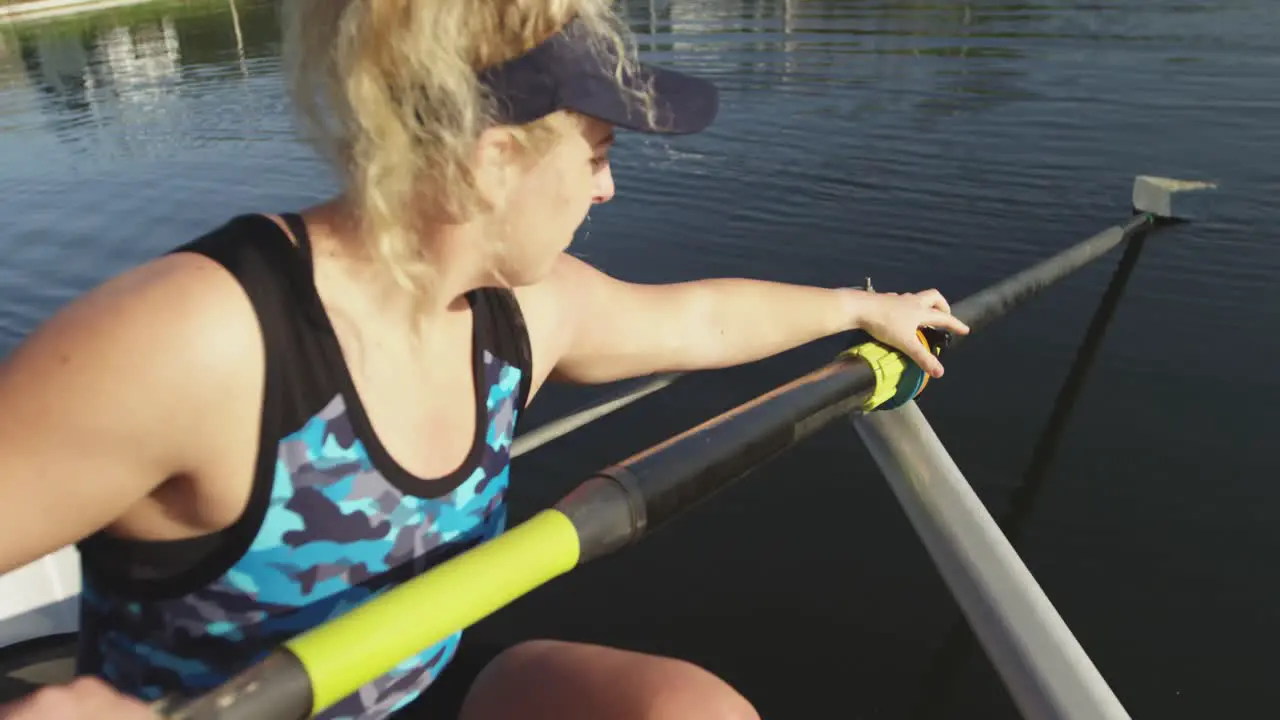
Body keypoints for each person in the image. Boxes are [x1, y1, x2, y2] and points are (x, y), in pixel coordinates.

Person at [0, 0, 969, 718]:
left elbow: (701, 322)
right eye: (593, 150)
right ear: (491, 156)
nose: (606, 189)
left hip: (426, 692)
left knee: (690, 712)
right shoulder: (201, 341)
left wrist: (862, 307)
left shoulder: (521, 313)